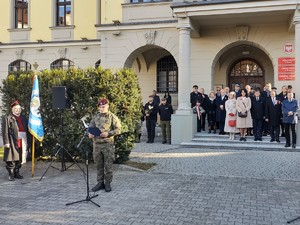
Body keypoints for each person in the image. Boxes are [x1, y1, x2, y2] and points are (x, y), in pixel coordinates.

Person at [88, 98, 121, 192]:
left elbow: (118, 129)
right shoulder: (95, 117)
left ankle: (107, 183)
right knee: (98, 165)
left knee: (108, 165)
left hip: (107, 145)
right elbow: (90, 128)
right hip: (97, 145)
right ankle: (100, 183)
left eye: (104, 106)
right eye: (100, 107)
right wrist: (90, 134)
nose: (102, 108)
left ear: (107, 106)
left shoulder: (112, 117)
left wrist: (108, 134)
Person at [2, 100, 30, 181]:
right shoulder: (7, 118)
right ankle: (10, 174)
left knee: (20, 157)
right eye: (16, 109)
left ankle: (16, 173)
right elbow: (5, 131)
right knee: (11, 158)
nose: (17, 110)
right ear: (12, 109)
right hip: (12, 140)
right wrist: (6, 142)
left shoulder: (23, 118)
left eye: (19, 109)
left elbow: (27, 129)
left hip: (22, 140)